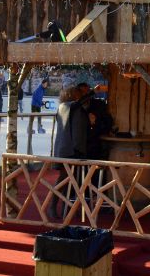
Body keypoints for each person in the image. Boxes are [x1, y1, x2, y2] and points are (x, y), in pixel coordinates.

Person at [49, 87, 89, 221]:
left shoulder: (64, 107)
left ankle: (66, 206)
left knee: (69, 180)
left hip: (65, 147)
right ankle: (53, 206)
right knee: (64, 179)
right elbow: (78, 131)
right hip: (70, 149)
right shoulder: (73, 107)